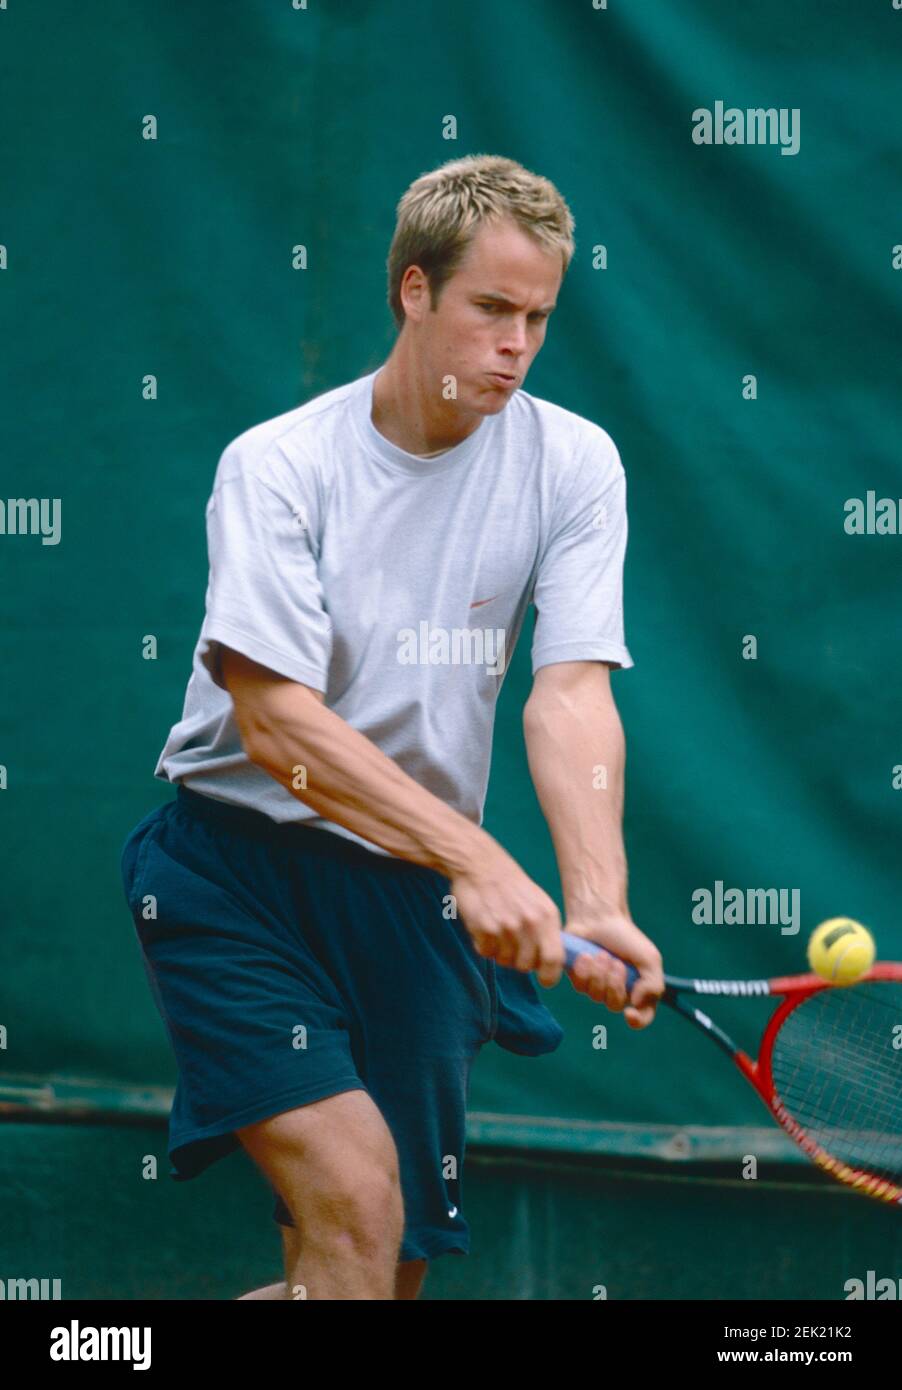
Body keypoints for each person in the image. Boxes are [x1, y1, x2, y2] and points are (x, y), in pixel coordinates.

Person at [119, 153, 664, 1302]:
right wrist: (473, 856)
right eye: (489, 309)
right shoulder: (277, 466)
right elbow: (274, 722)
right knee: (357, 1202)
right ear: (412, 292)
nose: (514, 343)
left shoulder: (574, 463)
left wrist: (597, 899)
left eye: (537, 318)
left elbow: (568, 694)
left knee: (378, 1276)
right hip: (234, 873)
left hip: (405, 897)